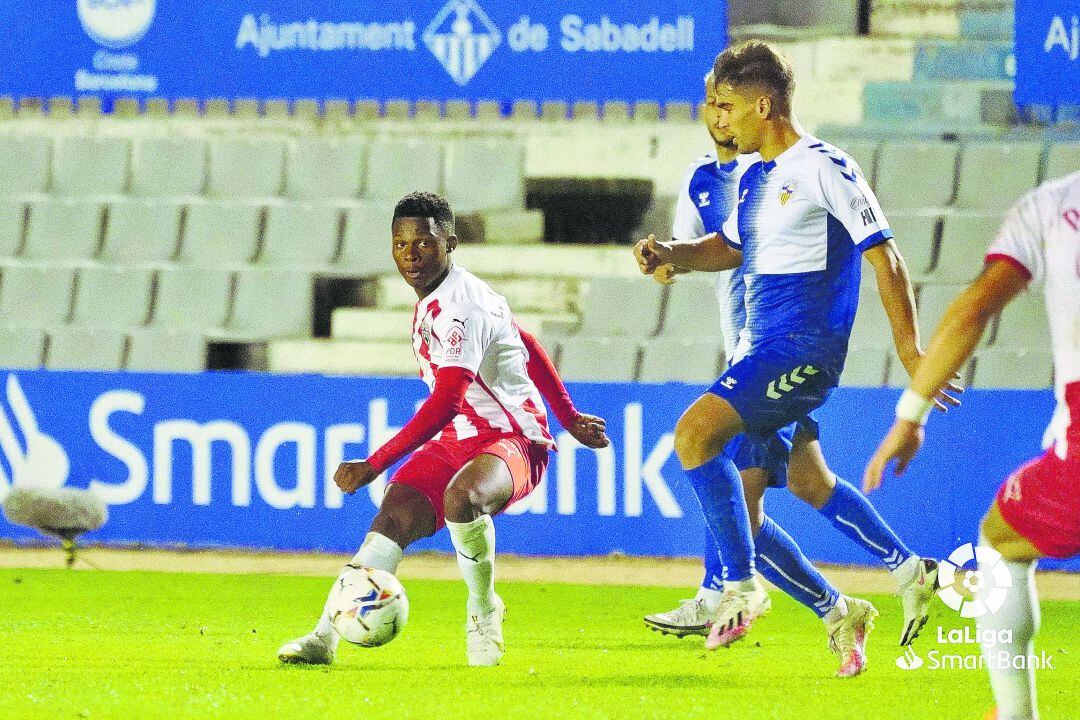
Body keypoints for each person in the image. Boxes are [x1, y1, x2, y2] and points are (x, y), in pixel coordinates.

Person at [634, 41, 960, 669]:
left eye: (727, 106)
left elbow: (886, 257)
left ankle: (739, 588)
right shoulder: (757, 178)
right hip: (763, 354)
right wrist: (674, 254)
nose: (719, 120)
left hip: (802, 352)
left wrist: (911, 349)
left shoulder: (824, 166)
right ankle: (869, 594)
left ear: (763, 105)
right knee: (780, 493)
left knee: (694, 436)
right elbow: (730, 247)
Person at [278, 191, 609, 667]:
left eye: (424, 243)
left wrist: (374, 464)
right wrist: (570, 415)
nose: (411, 255)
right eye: (401, 244)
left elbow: (447, 400)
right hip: (459, 439)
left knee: (462, 498)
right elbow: (525, 342)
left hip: (514, 438)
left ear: (450, 243)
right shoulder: (442, 296)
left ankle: (483, 610)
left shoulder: (462, 307)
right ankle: (324, 636)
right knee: (391, 519)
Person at [864, 172, 1080, 720]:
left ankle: (1015, 713)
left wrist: (910, 415)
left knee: (1002, 541)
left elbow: (975, 308)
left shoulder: (1052, 205)